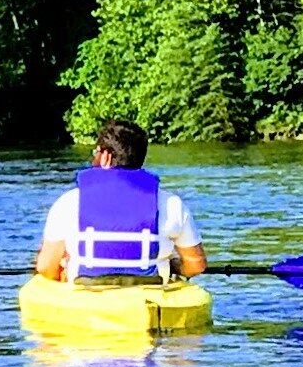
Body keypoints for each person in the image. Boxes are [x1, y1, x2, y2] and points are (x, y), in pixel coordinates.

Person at [33, 118, 208, 282]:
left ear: (106, 157)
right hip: (149, 300)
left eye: (96, 152)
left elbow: (46, 267)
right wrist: (174, 267)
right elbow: (196, 265)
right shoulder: (172, 204)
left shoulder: (69, 202)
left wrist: (63, 273)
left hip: (87, 301)